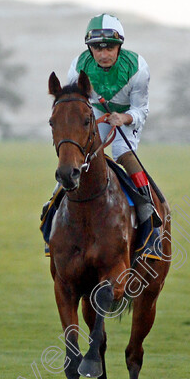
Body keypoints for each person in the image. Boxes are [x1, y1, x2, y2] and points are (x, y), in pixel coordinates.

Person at [61, 13, 160, 225]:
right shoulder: (77, 66)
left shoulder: (138, 68)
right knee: (78, 150)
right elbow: (76, 105)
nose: (103, 54)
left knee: (121, 151)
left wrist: (123, 118)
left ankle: (147, 207)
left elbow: (141, 110)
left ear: (119, 47)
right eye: (98, 48)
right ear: (90, 49)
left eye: (109, 48)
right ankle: (55, 204)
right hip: (96, 111)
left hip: (126, 114)